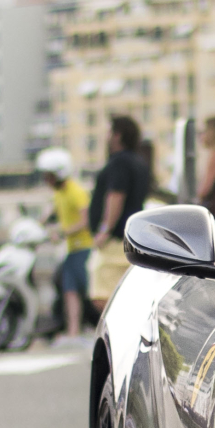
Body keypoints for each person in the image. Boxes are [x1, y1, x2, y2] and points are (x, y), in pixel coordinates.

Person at [86, 116, 150, 313]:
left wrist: (105, 229)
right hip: (129, 239)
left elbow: (116, 196)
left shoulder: (119, 162)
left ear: (117, 136)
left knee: (102, 296)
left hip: (114, 240)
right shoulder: (138, 162)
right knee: (122, 292)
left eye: (108, 132)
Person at [38, 147, 92, 338]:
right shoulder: (58, 193)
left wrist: (62, 231)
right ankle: (73, 331)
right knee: (69, 290)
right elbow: (49, 213)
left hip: (84, 248)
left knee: (90, 292)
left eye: (49, 175)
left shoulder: (76, 192)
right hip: (71, 249)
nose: (46, 180)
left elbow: (85, 220)